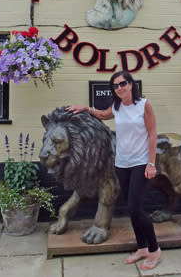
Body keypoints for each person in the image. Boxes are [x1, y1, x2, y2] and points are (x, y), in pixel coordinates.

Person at [66, 70, 161, 270]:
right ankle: (142, 247)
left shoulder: (144, 105)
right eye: (116, 86)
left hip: (140, 162)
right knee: (131, 208)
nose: (119, 88)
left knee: (136, 208)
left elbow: (153, 134)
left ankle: (154, 250)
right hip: (122, 163)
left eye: (122, 84)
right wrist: (84, 108)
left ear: (130, 84)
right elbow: (102, 114)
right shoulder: (117, 106)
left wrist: (151, 163)